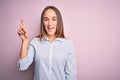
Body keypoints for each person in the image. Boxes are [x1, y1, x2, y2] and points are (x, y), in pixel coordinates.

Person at [17, 6, 77, 80]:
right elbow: (23, 66)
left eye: (53, 19)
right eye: (46, 19)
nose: (49, 23)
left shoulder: (68, 44)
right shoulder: (35, 42)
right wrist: (25, 41)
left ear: (58, 21)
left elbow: (71, 75)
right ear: (42, 22)